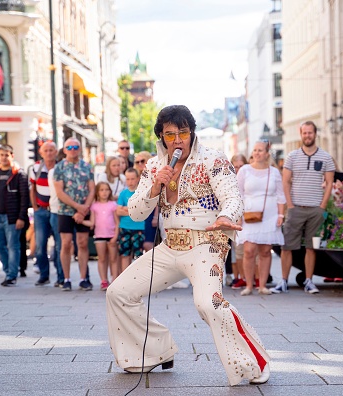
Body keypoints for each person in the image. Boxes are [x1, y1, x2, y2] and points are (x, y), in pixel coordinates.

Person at [106, 105, 270, 385]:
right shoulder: (155, 167)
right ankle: (153, 352)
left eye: (183, 132)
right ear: (161, 136)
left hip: (206, 243)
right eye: (171, 135)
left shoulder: (212, 159)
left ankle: (254, 362)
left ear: (191, 132)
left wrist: (224, 217)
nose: (178, 139)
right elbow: (135, 212)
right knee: (117, 292)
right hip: (169, 247)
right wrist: (154, 188)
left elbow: (233, 197)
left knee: (208, 303)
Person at [276, 121, 335, 294]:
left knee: (311, 247)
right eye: (304, 133)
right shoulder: (292, 156)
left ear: (315, 134)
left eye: (310, 133)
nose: (307, 136)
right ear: (301, 134)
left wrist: (322, 206)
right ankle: (284, 281)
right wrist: (290, 205)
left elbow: (330, 183)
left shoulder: (325, 157)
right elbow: (285, 182)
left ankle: (309, 281)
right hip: (296, 208)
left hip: (315, 208)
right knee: (287, 246)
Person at [236, 141, 285, 296]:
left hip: (269, 215)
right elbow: (238, 194)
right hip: (249, 214)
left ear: (266, 154)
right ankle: (249, 285)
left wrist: (280, 215)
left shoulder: (274, 172)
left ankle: (262, 285)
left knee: (265, 250)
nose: (257, 153)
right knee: (249, 250)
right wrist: (238, 216)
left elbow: (280, 195)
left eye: (260, 150)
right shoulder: (244, 170)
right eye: (255, 150)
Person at [53, 137, 95, 292]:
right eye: (69, 147)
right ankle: (66, 278)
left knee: (83, 243)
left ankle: (84, 278)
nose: (72, 150)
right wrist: (78, 207)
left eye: (75, 147)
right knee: (66, 243)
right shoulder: (59, 168)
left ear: (80, 149)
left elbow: (92, 189)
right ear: (64, 150)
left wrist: (84, 209)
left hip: (84, 209)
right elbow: (59, 192)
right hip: (65, 211)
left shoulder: (87, 166)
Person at [0, 145, 29, 286]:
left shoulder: (19, 174)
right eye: (1, 155)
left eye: (7, 155)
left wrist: (21, 217)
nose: (4, 158)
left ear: (12, 156)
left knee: (13, 246)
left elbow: (24, 197)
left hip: (12, 217)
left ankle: (11, 275)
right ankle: (9, 270)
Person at [30, 141, 63, 286]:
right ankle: (44, 275)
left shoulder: (60, 167)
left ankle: (61, 276)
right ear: (41, 153)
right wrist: (35, 207)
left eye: (51, 150)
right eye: (46, 150)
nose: (49, 153)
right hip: (41, 211)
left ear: (56, 152)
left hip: (57, 211)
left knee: (59, 245)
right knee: (40, 244)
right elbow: (32, 188)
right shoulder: (36, 167)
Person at [88, 182, 119, 291]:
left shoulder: (113, 205)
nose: (104, 192)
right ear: (97, 192)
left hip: (111, 236)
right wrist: (81, 221)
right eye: (101, 190)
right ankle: (103, 280)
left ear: (110, 191)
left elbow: (117, 222)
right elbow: (92, 222)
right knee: (101, 258)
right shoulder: (94, 206)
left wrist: (115, 236)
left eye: (106, 189)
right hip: (99, 236)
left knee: (113, 258)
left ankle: (114, 280)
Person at [116, 167, 145, 271]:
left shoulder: (141, 193)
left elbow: (141, 210)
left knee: (138, 255)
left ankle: (137, 278)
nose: (130, 181)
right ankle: (125, 278)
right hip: (124, 227)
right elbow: (118, 211)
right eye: (128, 179)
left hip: (138, 227)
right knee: (125, 254)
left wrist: (126, 209)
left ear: (137, 178)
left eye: (132, 179)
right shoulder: (123, 194)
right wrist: (132, 210)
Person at [229, 154, 248, 290]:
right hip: (233, 218)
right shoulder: (229, 180)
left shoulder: (249, 178)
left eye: (241, 166)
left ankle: (248, 277)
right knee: (236, 249)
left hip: (249, 216)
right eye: (236, 167)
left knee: (249, 250)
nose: (238, 169)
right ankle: (239, 276)